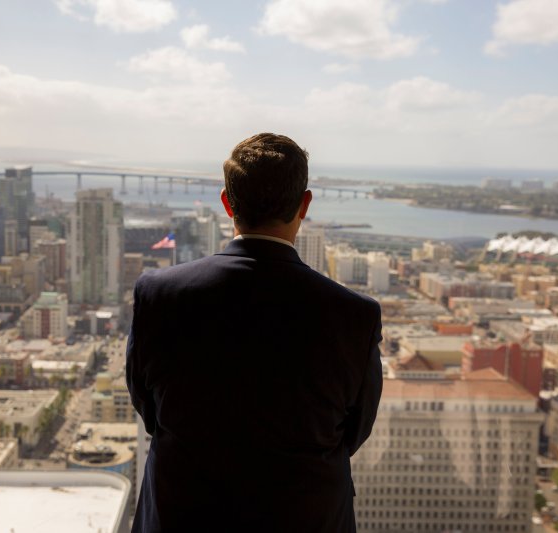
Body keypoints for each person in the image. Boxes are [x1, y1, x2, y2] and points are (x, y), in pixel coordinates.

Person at [126, 133, 383, 533]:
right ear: (305, 205)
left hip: (183, 515)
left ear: (227, 202)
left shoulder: (160, 295)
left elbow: (149, 409)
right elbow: (354, 431)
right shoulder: (354, 315)